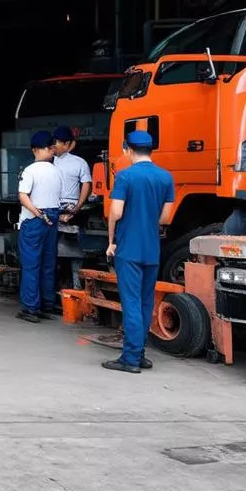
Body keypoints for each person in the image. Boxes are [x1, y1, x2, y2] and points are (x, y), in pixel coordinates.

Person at [104, 130, 175, 373]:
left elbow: (116, 212)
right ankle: (140, 352)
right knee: (145, 303)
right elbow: (165, 217)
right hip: (151, 249)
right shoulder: (166, 178)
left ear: (127, 150)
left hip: (129, 249)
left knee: (131, 303)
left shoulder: (125, 177)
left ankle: (131, 358)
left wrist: (111, 240)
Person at [17, 130, 64, 323]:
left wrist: (38, 213)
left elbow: (23, 196)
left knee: (31, 265)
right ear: (50, 149)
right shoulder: (56, 171)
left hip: (34, 221)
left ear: (34, 150)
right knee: (47, 264)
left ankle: (31, 308)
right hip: (53, 219)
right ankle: (47, 304)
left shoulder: (30, 171)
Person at [53, 125, 93, 289]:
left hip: (71, 209)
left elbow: (86, 184)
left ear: (67, 143)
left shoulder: (79, 162)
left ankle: (77, 289)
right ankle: (54, 291)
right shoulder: (49, 161)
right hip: (53, 208)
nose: (54, 146)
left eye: (57, 143)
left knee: (75, 254)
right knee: (52, 254)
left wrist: (78, 205)